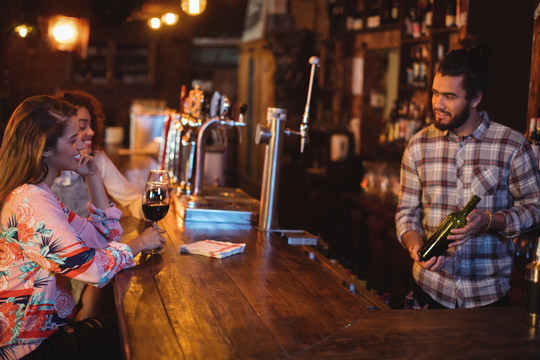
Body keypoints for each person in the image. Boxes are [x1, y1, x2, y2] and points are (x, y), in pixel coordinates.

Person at [0, 95, 164, 359]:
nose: (81, 145)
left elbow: (103, 238)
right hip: (28, 347)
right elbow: (92, 267)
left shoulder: (40, 195)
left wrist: (93, 176)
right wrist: (140, 244)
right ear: (45, 149)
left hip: (45, 334)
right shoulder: (30, 201)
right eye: (73, 139)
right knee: (139, 327)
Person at [396, 36, 540, 309]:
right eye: (435, 93)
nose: (438, 104)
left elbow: (536, 208)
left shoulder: (511, 145)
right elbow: (406, 214)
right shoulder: (418, 145)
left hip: (488, 299)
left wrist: (489, 220)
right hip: (429, 292)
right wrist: (415, 247)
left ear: (475, 98)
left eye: (449, 97)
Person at [51, 90, 146, 220]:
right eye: (82, 127)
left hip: (89, 238)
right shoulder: (46, 165)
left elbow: (130, 200)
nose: (92, 132)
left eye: (91, 125)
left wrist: (151, 207)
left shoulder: (96, 159)